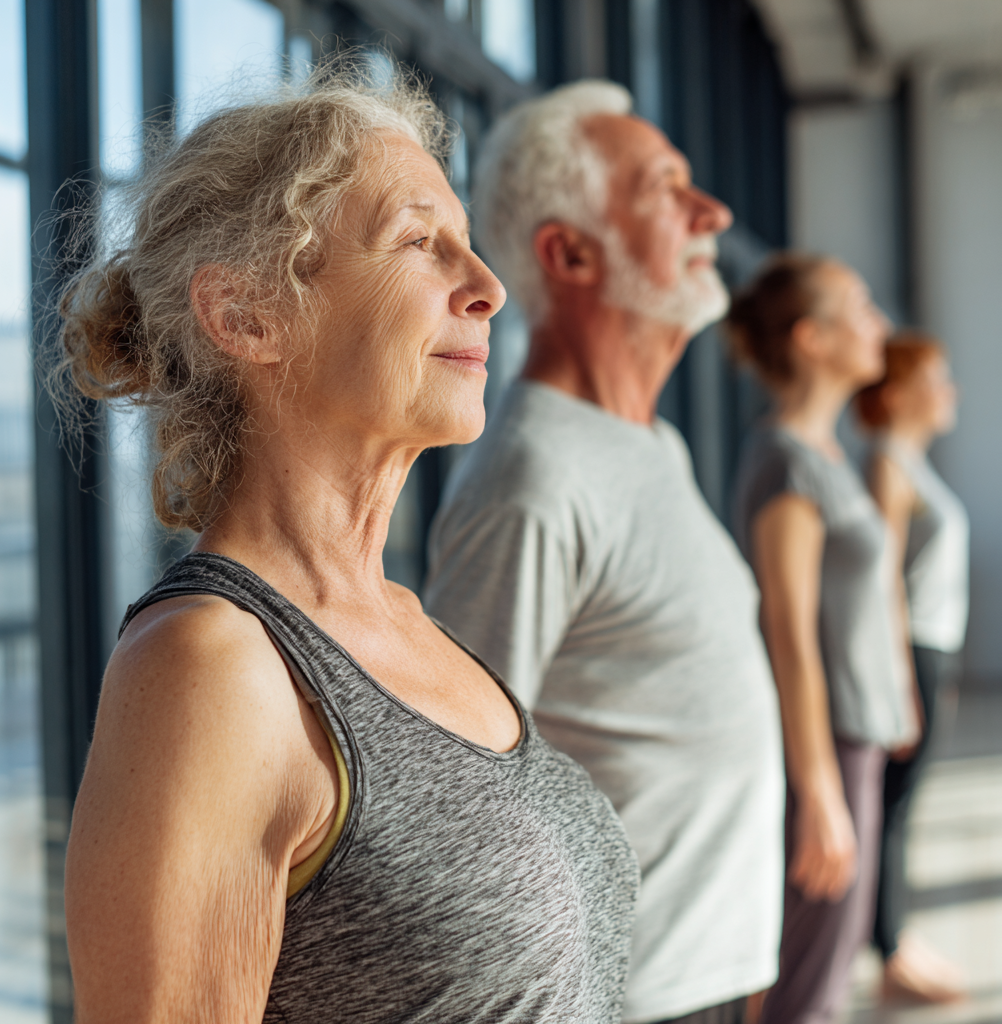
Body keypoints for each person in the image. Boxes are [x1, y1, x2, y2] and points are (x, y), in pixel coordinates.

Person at [59, 60, 639, 1024]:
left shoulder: (409, 624)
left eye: (469, 243)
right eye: (420, 241)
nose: (489, 286)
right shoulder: (212, 668)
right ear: (246, 314)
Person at [423, 80, 785, 1024]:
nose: (715, 212)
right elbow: (457, 798)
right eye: (668, 188)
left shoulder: (651, 442)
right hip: (638, 997)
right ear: (570, 252)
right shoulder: (534, 478)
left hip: (709, 973)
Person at [729, 255, 920, 1024]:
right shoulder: (786, 463)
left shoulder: (826, 455)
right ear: (812, 339)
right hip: (829, 745)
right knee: (809, 981)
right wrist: (819, 794)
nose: (880, 324)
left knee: (827, 968)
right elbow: (790, 636)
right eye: (862, 308)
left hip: (855, 737)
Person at [856, 332, 969, 1003]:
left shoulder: (908, 462)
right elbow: (882, 585)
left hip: (933, 648)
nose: (948, 391)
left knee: (904, 802)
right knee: (892, 804)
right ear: (898, 394)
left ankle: (895, 936)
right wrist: (898, 680)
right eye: (938, 378)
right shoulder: (887, 465)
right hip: (913, 647)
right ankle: (890, 948)